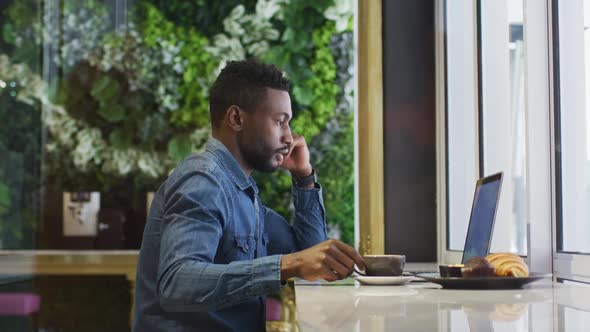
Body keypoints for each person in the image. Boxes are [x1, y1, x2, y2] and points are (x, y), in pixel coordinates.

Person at [132, 58, 366, 332]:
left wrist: (303, 178)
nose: (290, 138)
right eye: (280, 122)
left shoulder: (243, 194)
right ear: (236, 118)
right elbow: (177, 284)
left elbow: (309, 254)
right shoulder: (203, 181)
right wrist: (285, 266)